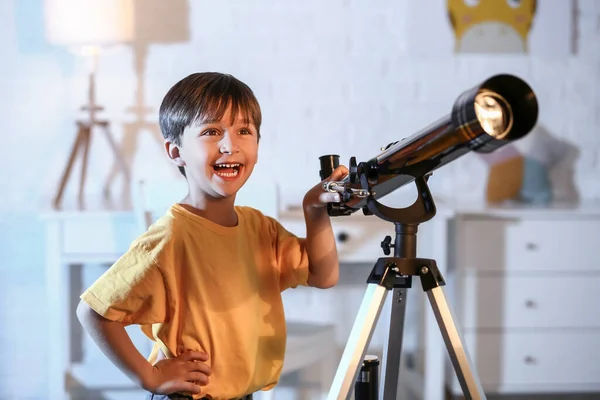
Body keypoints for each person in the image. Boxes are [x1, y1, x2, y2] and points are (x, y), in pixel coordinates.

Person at [76, 72, 349, 400]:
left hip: (240, 394)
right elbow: (93, 312)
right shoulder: (170, 238)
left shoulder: (260, 228)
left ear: (257, 146)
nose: (229, 145)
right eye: (211, 131)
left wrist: (315, 211)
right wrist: (149, 377)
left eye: (243, 131)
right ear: (176, 152)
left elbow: (324, 275)